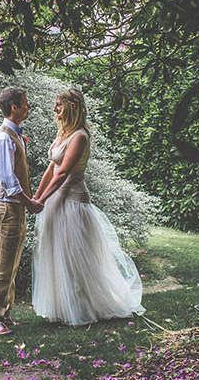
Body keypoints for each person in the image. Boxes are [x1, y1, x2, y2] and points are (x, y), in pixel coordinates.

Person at [32, 87, 144, 325]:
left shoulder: (79, 136)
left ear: (72, 107)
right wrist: (37, 196)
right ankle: (63, 308)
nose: (55, 109)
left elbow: (63, 173)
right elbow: (51, 168)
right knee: (57, 255)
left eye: (59, 104)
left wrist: (41, 201)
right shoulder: (63, 133)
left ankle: (82, 307)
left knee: (74, 257)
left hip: (73, 203)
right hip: (56, 201)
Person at [0, 87, 43, 336]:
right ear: (14, 107)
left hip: (15, 207)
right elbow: (8, 181)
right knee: (1, 264)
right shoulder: (3, 138)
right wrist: (29, 202)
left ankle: (5, 313)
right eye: (25, 104)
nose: (28, 107)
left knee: (12, 263)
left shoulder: (15, 135)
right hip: (5, 209)